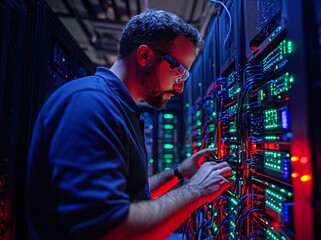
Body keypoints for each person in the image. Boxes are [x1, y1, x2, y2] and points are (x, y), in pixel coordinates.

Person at [26, 9, 232, 240]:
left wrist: (178, 172)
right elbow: (110, 228)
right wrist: (197, 190)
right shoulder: (90, 103)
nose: (180, 87)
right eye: (179, 72)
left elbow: (131, 195)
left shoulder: (119, 108)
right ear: (145, 56)